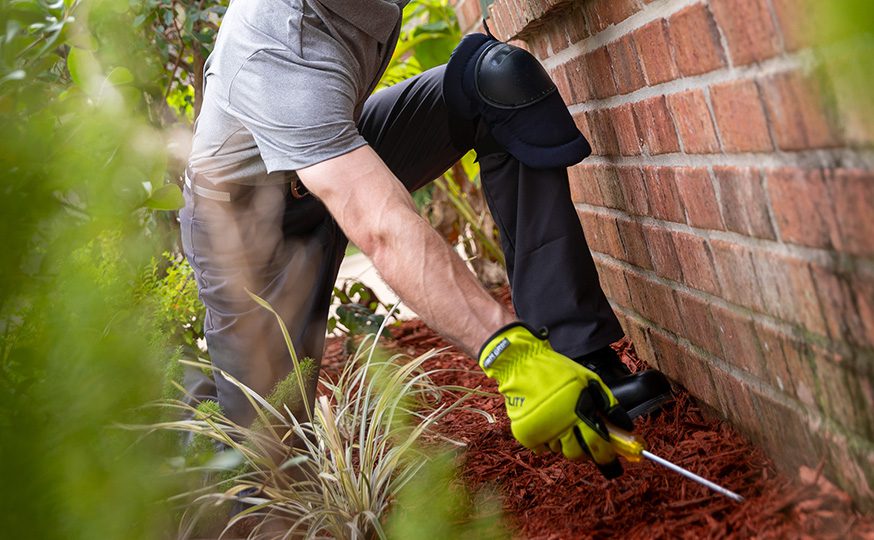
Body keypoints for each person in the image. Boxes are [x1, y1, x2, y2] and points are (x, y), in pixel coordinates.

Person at [181, 0, 671, 477]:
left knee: (497, 79)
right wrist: (510, 354)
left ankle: (578, 354)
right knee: (268, 459)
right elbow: (381, 226)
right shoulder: (276, 46)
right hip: (249, 227)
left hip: (337, 149)